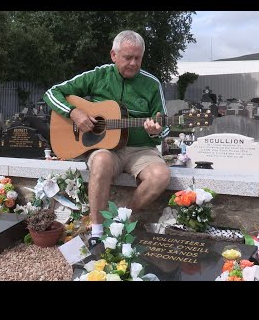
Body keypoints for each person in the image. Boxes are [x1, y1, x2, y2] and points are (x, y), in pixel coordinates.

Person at [43, 30, 171, 247]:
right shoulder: (98, 75)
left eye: (137, 58)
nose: (132, 63)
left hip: (140, 149)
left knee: (160, 175)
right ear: (114, 55)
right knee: (101, 160)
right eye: (127, 57)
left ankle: (121, 220)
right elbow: (52, 92)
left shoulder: (152, 84)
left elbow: (164, 127)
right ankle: (97, 229)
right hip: (106, 150)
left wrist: (155, 131)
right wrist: (74, 113)